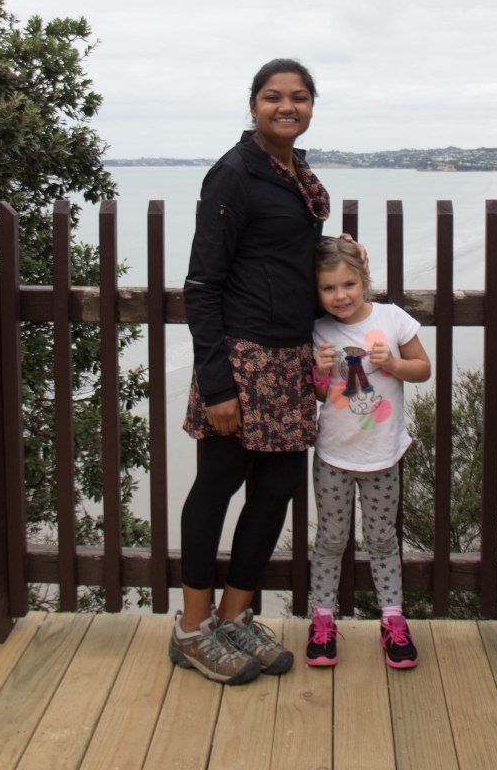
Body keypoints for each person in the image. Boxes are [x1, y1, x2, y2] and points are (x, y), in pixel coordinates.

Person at [169, 57, 330, 685]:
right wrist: (217, 384)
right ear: (254, 104)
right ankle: (191, 631)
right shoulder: (232, 174)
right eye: (273, 97)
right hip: (240, 358)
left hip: (289, 359)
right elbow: (202, 284)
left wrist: (337, 254)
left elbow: (281, 253)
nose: (287, 107)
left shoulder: (294, 171)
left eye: (299, 97)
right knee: (218, 485)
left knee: (277, 489)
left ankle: (234, 618)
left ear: (311, 105)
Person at [306, 236, 431, 670]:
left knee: (382, 540)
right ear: (317, 291)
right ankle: (322, 621)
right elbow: (320, 395)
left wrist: (392, 363)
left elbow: (423, 368)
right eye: (328, 288)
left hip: (382, 456)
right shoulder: (319, 330)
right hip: (333, 457)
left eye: (348, 284)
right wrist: (319, 373)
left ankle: (393, 620)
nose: (340, 295)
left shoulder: (392, 319)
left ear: (364, 280)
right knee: (330, 540)